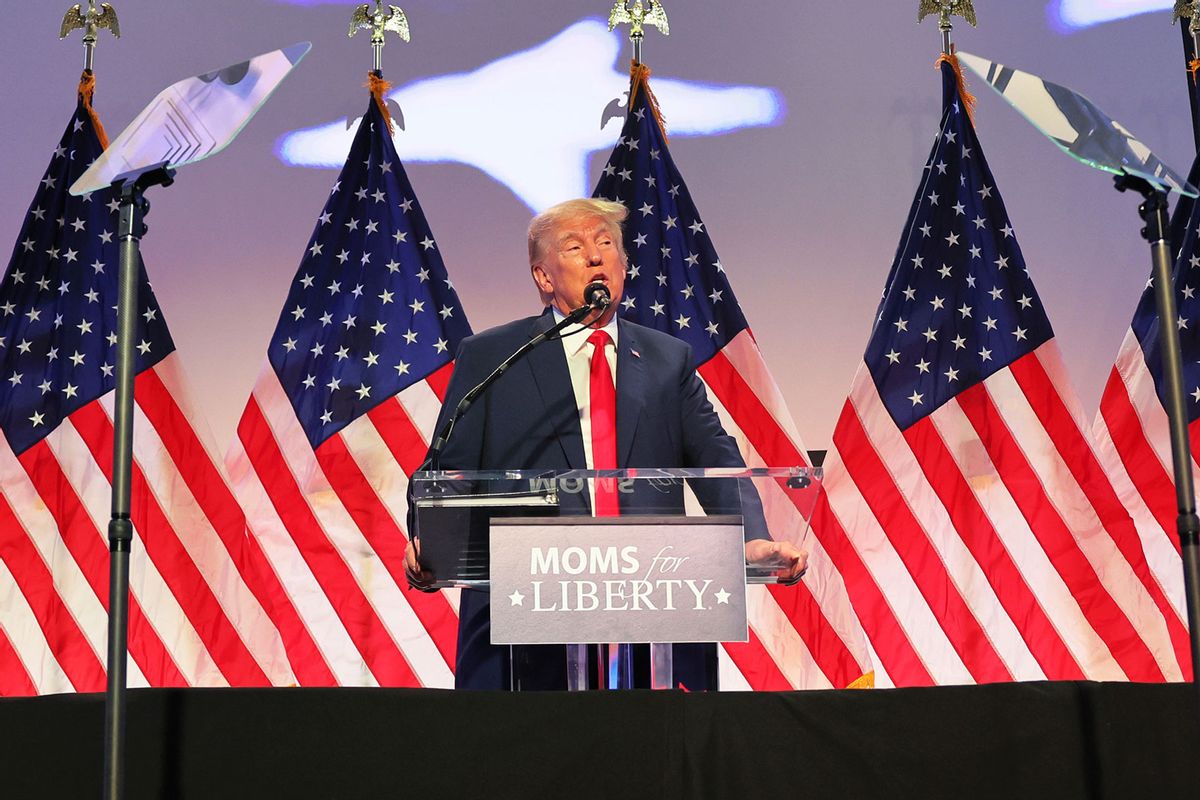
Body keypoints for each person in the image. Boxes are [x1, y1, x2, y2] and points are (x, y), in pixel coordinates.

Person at [405, 198, 806, 690]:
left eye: (607, 244)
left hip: (654, 605)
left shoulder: (666, 358)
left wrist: (752, 540)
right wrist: (432, 543)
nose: (596, 257)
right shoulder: (493, 357)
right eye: (575, 247)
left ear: (623, 265)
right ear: (544, 278)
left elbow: (716, 459)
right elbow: (449, 471)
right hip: (525, 620)